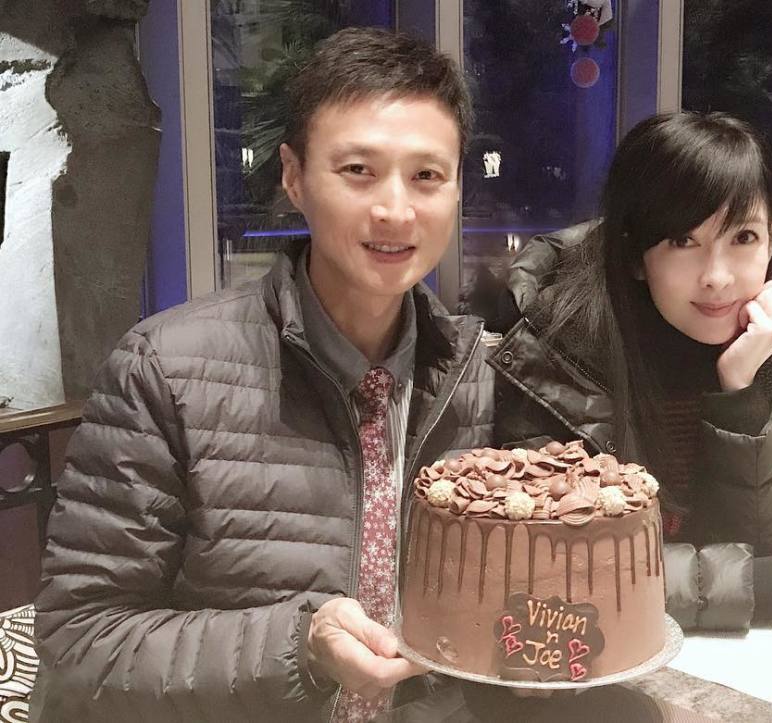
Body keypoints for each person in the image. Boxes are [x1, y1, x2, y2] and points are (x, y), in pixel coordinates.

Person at [31, 27, 493, 723]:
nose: (396, 209)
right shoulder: (166, 369)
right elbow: (80, 638)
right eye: (358, 170)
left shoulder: (475, 375)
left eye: (427, 176)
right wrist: (301, 644)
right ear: (293, 176)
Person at [489, 111, 772, 631]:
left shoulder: (764, 345)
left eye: (744, 237)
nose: (717, 277)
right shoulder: (561, 353)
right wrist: (764, 588)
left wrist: (741, 393)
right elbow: (556, 566)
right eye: (683, 241)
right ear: (636, 254)